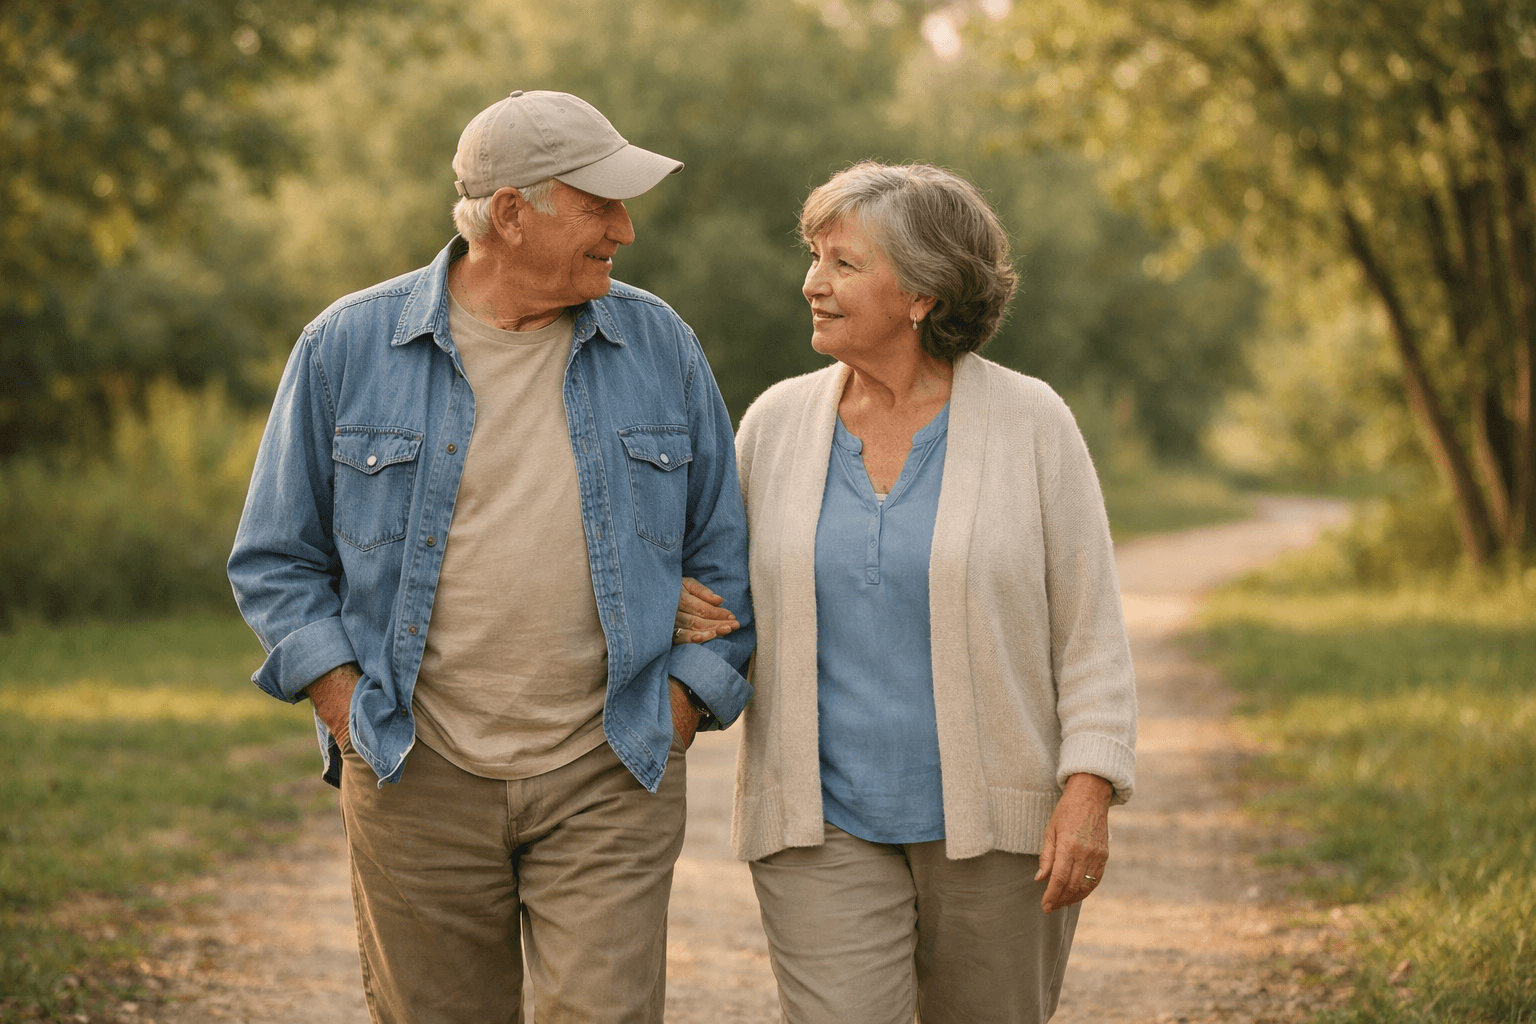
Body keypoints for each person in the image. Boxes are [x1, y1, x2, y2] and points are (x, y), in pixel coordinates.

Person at [227, 89, 753, 1024]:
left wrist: (679, 704)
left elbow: (724, 547)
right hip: (412, 767)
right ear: (512, 213)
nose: (624, 231)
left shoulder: (658, 342)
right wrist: (347, 706)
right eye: (600, 206)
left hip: (612, 763)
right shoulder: (347, 345)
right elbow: (275, 559)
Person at [675, 162, 1137, 1023]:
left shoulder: (1033, 424)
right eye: (814, 258)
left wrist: (1090, 789)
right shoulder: (775, 425)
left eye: (843, 264)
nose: (812, 283)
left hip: (1002, 832)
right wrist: (670, 602)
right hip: (819, 825)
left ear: (922, 293)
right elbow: (719, 583)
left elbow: (1091, 631)